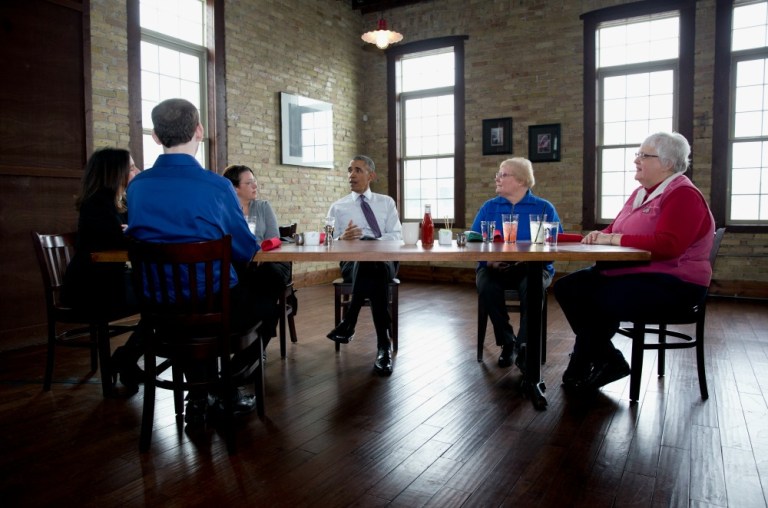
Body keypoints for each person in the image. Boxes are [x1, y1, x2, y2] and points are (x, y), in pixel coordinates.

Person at [127, 98, 282, 426]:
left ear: (155, 136)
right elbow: (244, 249)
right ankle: (225, 384)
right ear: (199, 130)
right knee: (272, 285)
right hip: (216, 308)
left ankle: (201, 392)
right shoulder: (217, 186)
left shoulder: (137, 186)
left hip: (160, 311)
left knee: (187, 302)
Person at [554, 132, 715, 392]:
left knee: (595, 299)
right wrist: (601, 235)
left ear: (667, 163)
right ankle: (607, 359)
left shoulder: (683, 194)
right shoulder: (641, 193)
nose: (636, 160)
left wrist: (613, 239)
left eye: (643, 155)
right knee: (567, 287)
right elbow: (615, 229)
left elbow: (669, 245)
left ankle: (584, 363)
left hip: (675, 284)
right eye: (638, 154)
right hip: (632, 273)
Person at [62, 147, 144, 392]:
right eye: (131, 167)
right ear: (114, 173)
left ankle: (125, 358)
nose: (137, 171)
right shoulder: (96, 204)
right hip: (91, 288)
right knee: (162, 302)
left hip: (108, 280)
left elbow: (130, 232)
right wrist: (133, 232)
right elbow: (122, 240)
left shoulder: (115, 202)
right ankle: (125, 358)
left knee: (164, 300)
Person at [471, 157, 561, 373]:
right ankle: (507, 341)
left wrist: (530, 260)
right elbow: (473, 242)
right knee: (486, 285)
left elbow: (555, 246)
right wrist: (488, 262)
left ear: (521, 180)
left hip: (533, 268)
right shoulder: (489, 207)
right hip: (495, 267)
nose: (497, 178)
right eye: (498, 174)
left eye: (503, 175)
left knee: (532, 286)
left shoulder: (544, 208)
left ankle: (524, 346)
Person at [325, 155, 402, 375]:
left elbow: (396, 236)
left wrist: (371, 243)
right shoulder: (337, 207)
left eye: (358, 170)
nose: (352, 175)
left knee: (372, 261)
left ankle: (349, 321)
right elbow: (328, 243)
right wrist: (342, 239)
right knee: (371, 266)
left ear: (371, 176)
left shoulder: (386, 202)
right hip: (352, 264)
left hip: (385, 260)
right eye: (350, 170)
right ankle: (384, 346)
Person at [222, 163, 292, 348]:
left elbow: (274, 239)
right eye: (249, 183)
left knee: (266, 277)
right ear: (235, 188)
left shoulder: (262, 207)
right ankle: (257, 346)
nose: (255, 186)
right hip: (242, 266)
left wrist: (257, 249)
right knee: (257, 295)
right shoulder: (224, 211)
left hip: (271, 263)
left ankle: (254, 347)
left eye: (255, 181)